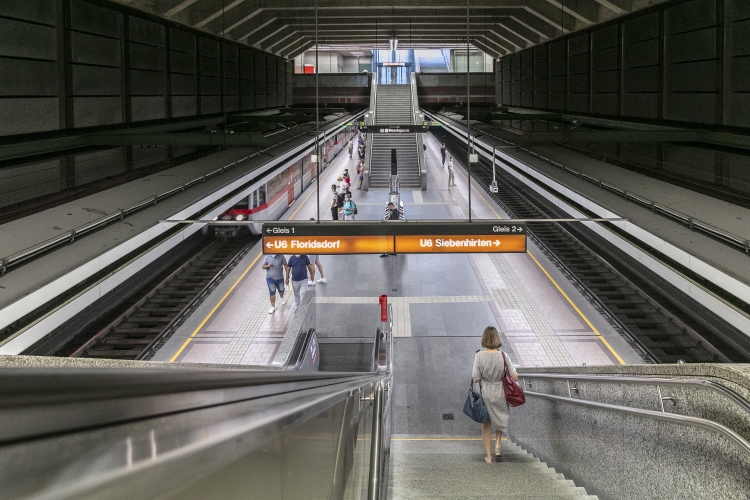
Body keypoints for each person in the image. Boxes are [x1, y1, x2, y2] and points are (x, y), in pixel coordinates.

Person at [472, 326, 518, 463]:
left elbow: (475, 378)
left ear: (484, 339)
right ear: (497, 339)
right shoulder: (504, 356)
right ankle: (498, 445)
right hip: (501, 392)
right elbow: (514, 376)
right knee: (499, 419)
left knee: (486, 424)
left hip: (485, 392)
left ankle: (489, 456)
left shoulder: (479, 356)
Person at [308, 218, 326, 283]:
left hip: (311, 249)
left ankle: (312, 280)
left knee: (311, 264)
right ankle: (322, 277)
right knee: (317, 263)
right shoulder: (316, 229)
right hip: (316, 248)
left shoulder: (310, 231)